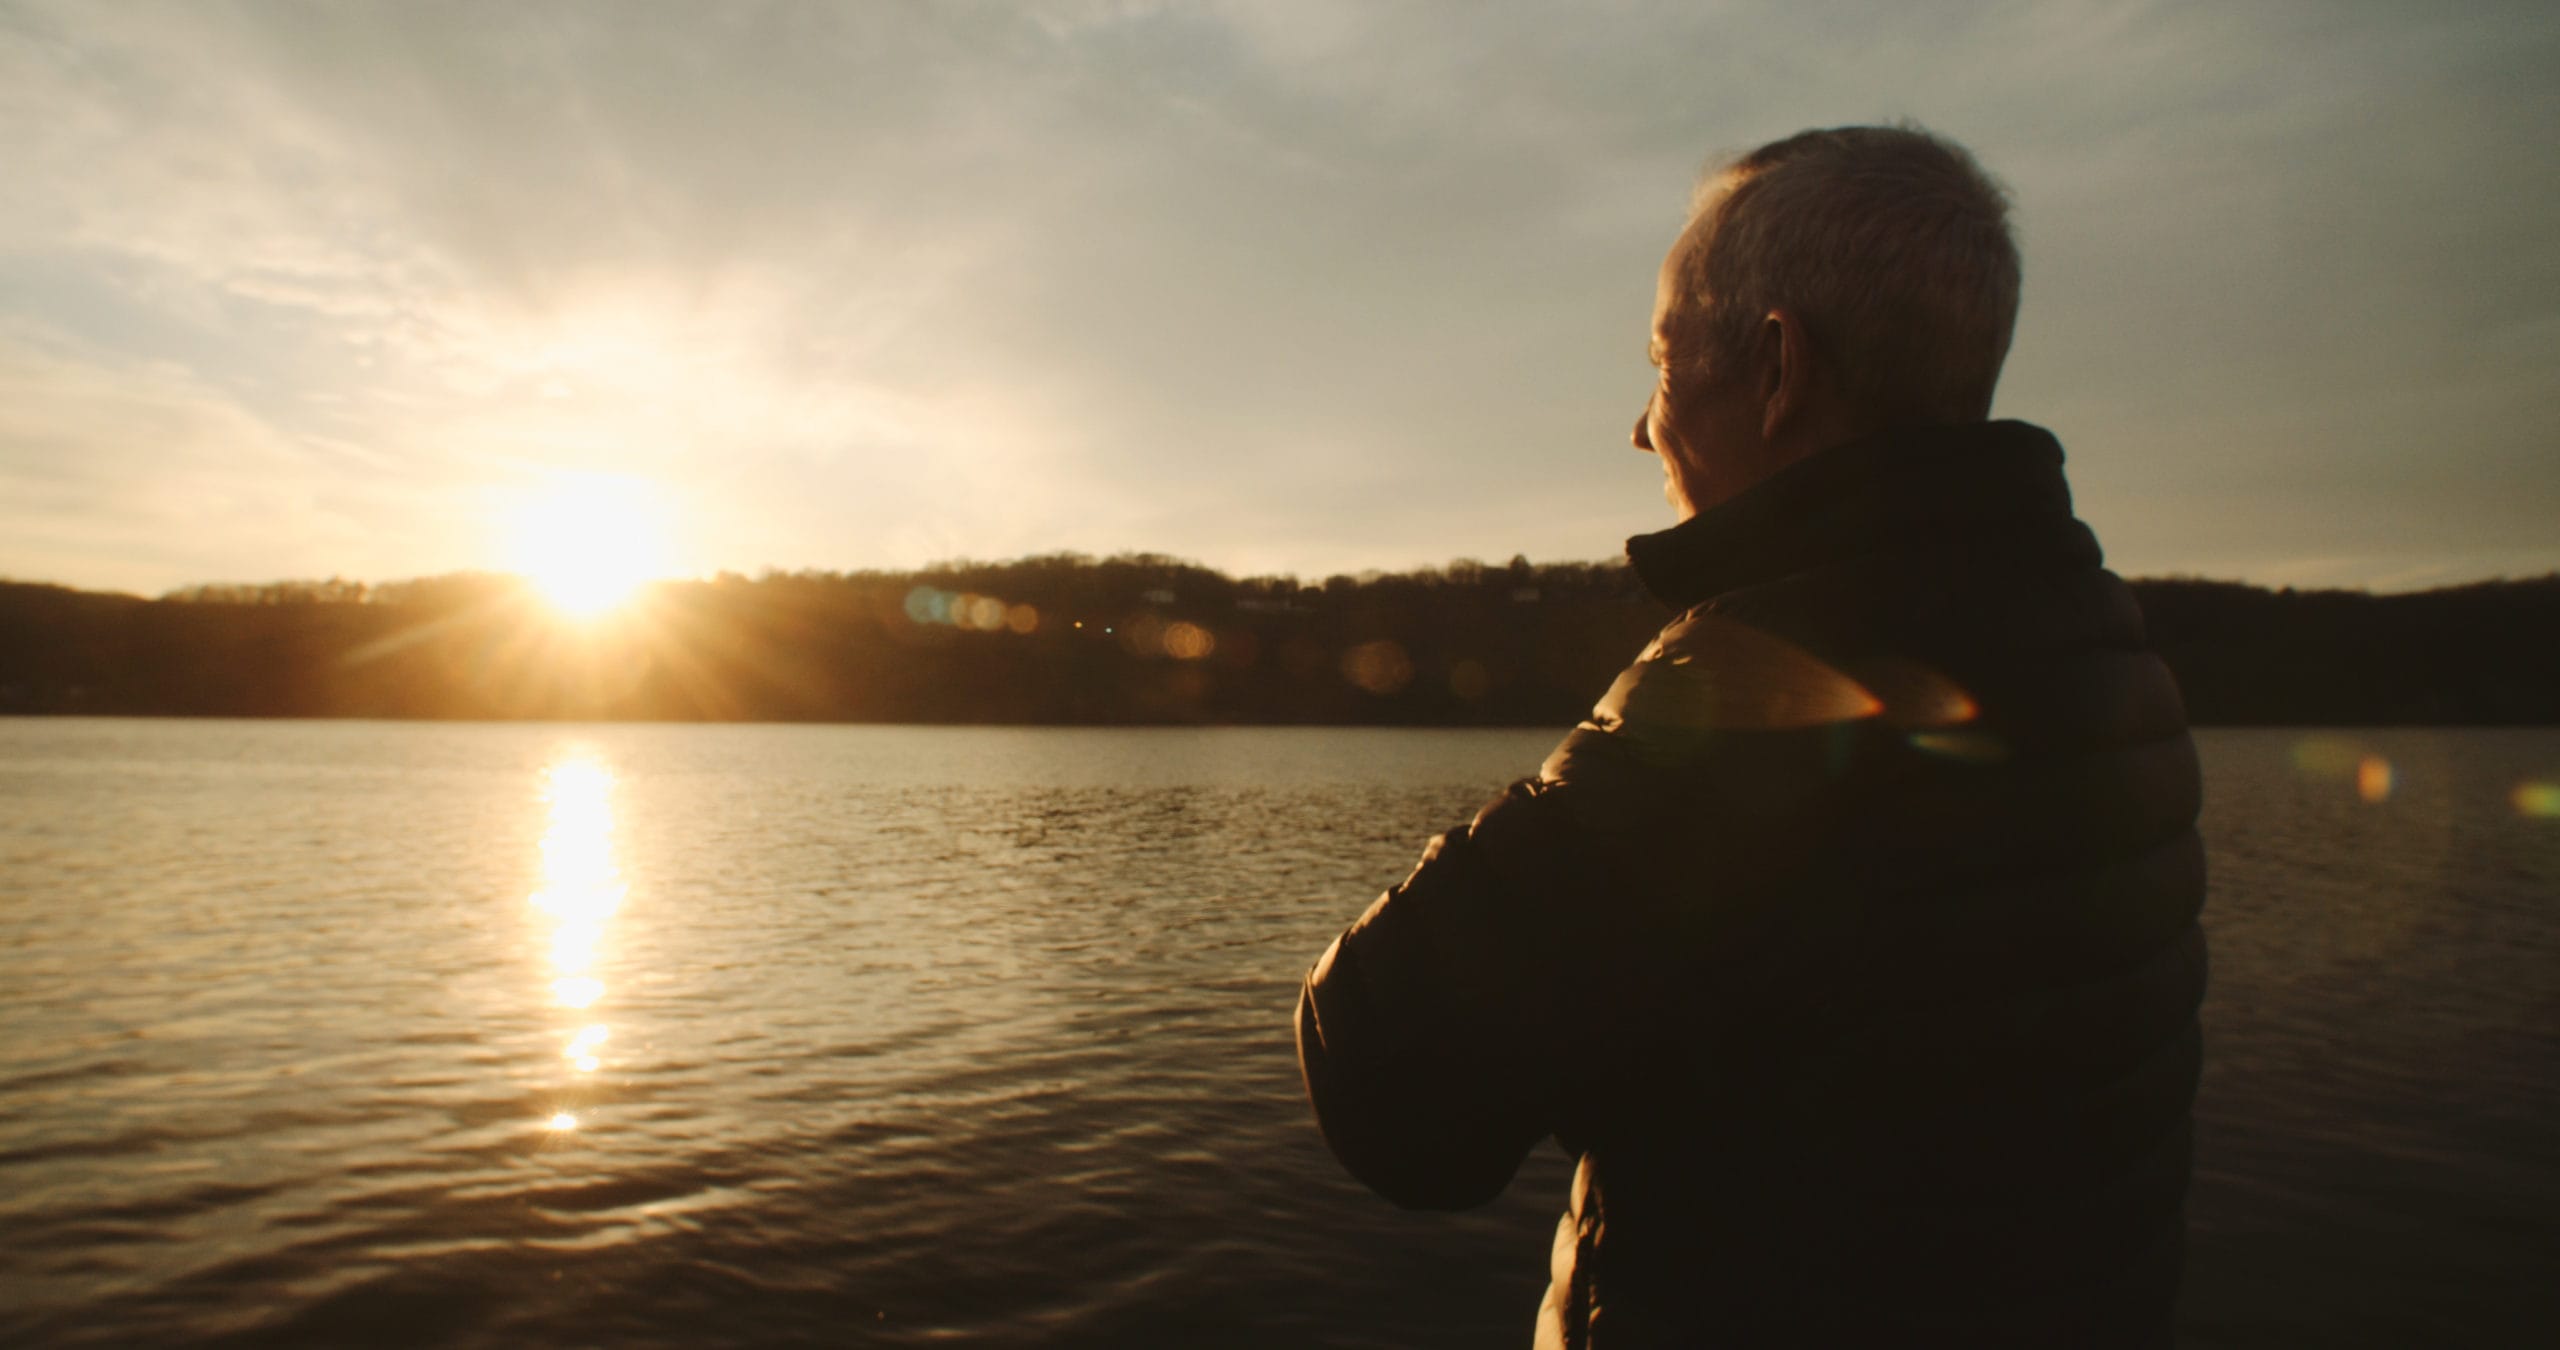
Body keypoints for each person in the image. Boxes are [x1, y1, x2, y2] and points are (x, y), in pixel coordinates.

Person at [1293, 124, 2205, 1348]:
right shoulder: (2107, 649)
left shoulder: (1761, 686)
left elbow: (1391, 1089)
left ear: (1776, 370)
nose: (1640, 428)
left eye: (1664, 369)